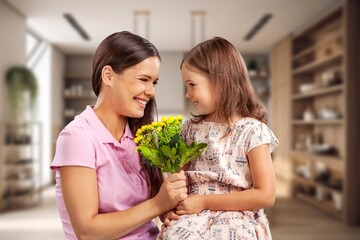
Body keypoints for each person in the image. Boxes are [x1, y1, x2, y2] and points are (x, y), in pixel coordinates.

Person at [51, 31, 188, 240]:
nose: (151, 92)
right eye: (144, 79)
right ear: (108, 76)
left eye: (154, 82)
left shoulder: (141, 136)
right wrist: (157, 204)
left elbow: (155, 208)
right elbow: (87, 232)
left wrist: (167, 210)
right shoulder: (77, 137)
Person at [161, 37, 279, 240]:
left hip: (237, 216)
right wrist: (168, 210)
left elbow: (266, 195)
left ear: (219, 82)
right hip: (193, 215)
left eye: (191, 85)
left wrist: (206, 202)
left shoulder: (253, 131)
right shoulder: (189, 130)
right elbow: (178, 181)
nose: (188, 94)